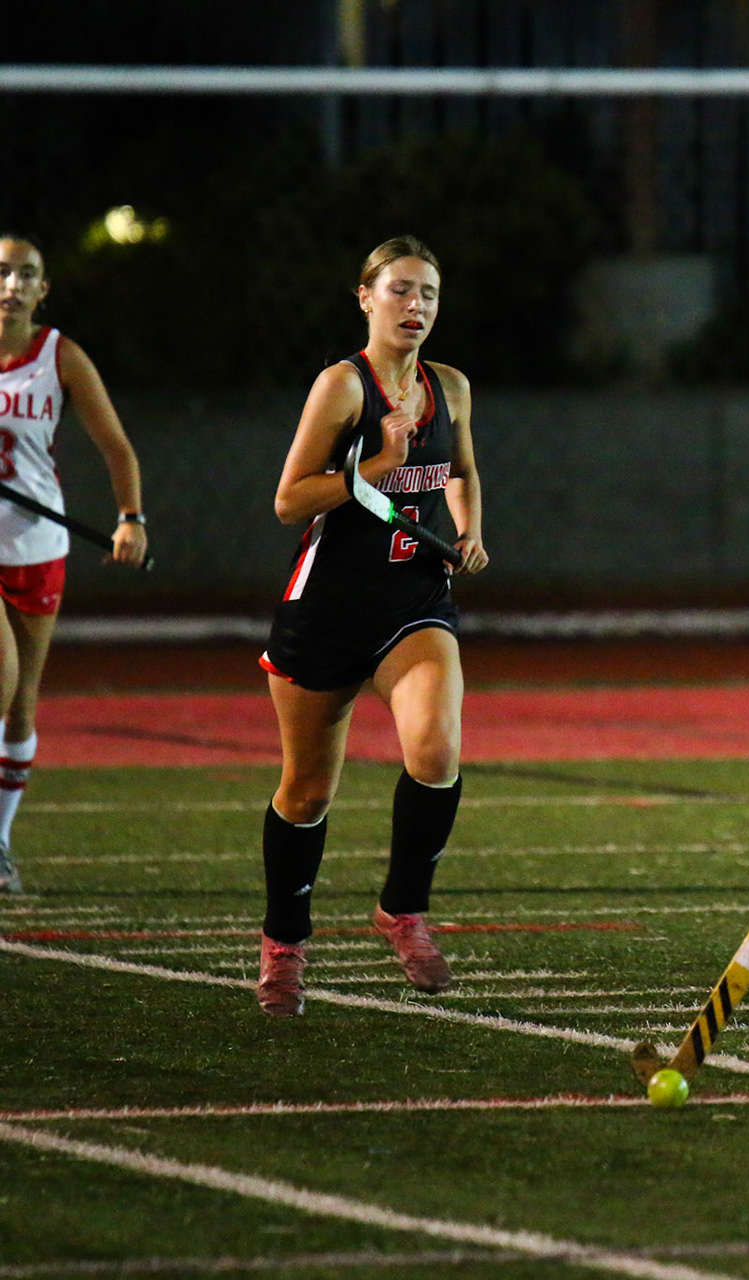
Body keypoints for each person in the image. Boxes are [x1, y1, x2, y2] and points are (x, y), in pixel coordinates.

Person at [255, 235, 488, 1017]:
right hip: (326, 608)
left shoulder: (449, 385)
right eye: (400, 290)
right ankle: (284, 943)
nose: (415, 306)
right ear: (366, 297)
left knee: (437, 751)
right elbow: (290, 500)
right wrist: (376, 469)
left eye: (428, 293)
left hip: (413, 600)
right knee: (306, 792)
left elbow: (462, 471)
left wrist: (469, 529)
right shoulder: (342, 386)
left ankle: (403, 911)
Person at [0, 233, 149, 894]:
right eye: (1, 272)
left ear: (43, 289)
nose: (11, 284)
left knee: (21, 706)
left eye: (25, 274)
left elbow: (116, 446)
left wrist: (131, 517)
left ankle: (1, 841)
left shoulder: (60, 356)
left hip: (36, 547)